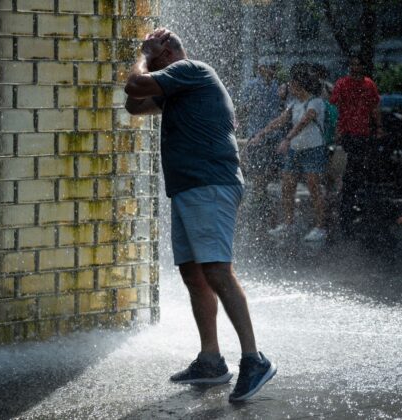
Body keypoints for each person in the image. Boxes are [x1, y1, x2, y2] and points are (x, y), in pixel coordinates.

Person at [123, 27, 276, 403]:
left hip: (210, 185)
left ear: (169, 52)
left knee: (217, 270)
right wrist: (148, 64)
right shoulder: (177, 90)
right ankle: (211, 360)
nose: (154, 69)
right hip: (190, 189)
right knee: (194, 273)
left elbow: (134, 85)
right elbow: (134, 105)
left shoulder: (194, 71)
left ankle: (254, 359)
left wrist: (144, 54)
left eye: (158, 60)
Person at [250, 66, 328, 242]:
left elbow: (303, 122)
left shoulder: (316, 102)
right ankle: (288, 223)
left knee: (314, 187)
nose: (288, 87)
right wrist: (260, 134)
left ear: (298, 85)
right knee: (287, 185)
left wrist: (287, 139)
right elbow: (279, 121)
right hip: (295, 150)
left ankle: (320, 227)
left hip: (313, 150)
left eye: (291, 84)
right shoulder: (294, 104)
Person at [331, 56, 382, 236]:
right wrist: (338, 129)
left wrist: (379, 127)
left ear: (361, 67)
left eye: (357, 64)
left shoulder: (368, 85)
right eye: (352, 64)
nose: (354, 67)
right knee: (355, 163)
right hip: (349, 132)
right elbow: (336, 106)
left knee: (356, 164)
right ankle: (351, 194)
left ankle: (351, 194)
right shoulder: (343, 83)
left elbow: (375, 107)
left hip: (363, 131)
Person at [239, 57, 287, 230]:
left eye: (274, 67)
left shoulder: (278, 87)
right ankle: (259, 202)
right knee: (258, 170)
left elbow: (284, 110)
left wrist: (282, 98)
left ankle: (263, 199)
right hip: (257, 134)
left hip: (274, 135)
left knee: (271, 170)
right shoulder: (252, 86)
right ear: (260, 69)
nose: (272, 71)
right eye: (269, 68)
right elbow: (243, 108)